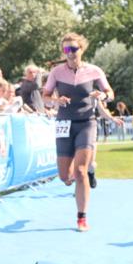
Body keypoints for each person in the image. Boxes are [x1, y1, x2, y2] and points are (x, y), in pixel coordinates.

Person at [43, 32, 113, 232]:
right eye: (66, 50)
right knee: (65, 177)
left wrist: (103, 95)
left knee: (80, 171)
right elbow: (45, 96)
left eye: (74, 49)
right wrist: (56, 101)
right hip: (64, 123)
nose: (70, 53)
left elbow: (110, 93)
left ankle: (82, 217)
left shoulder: (94, 70)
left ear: (81, 50)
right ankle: (85, 170)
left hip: (86, 123)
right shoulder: (56, 72)